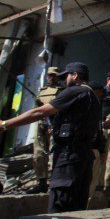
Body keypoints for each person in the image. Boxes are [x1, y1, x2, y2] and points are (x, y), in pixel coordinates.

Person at [0, 62, 100, 213]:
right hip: (83, 155)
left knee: (60, 202)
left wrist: (5, 124)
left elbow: (38, 113)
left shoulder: (74, 92)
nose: (64, 80)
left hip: (69, 155)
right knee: (77, 203)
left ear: (75, 75)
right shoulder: (93, 96)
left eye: (66, 76)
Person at [29, 66, 62, 194]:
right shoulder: (42, 91)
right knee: (38, 154)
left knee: (54, 154)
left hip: (54, 125)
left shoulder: (61, 91)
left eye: (54, 75)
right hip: (41, 125)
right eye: (50, 75)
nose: (52, 78)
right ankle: (41, 182)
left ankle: (54, 182)